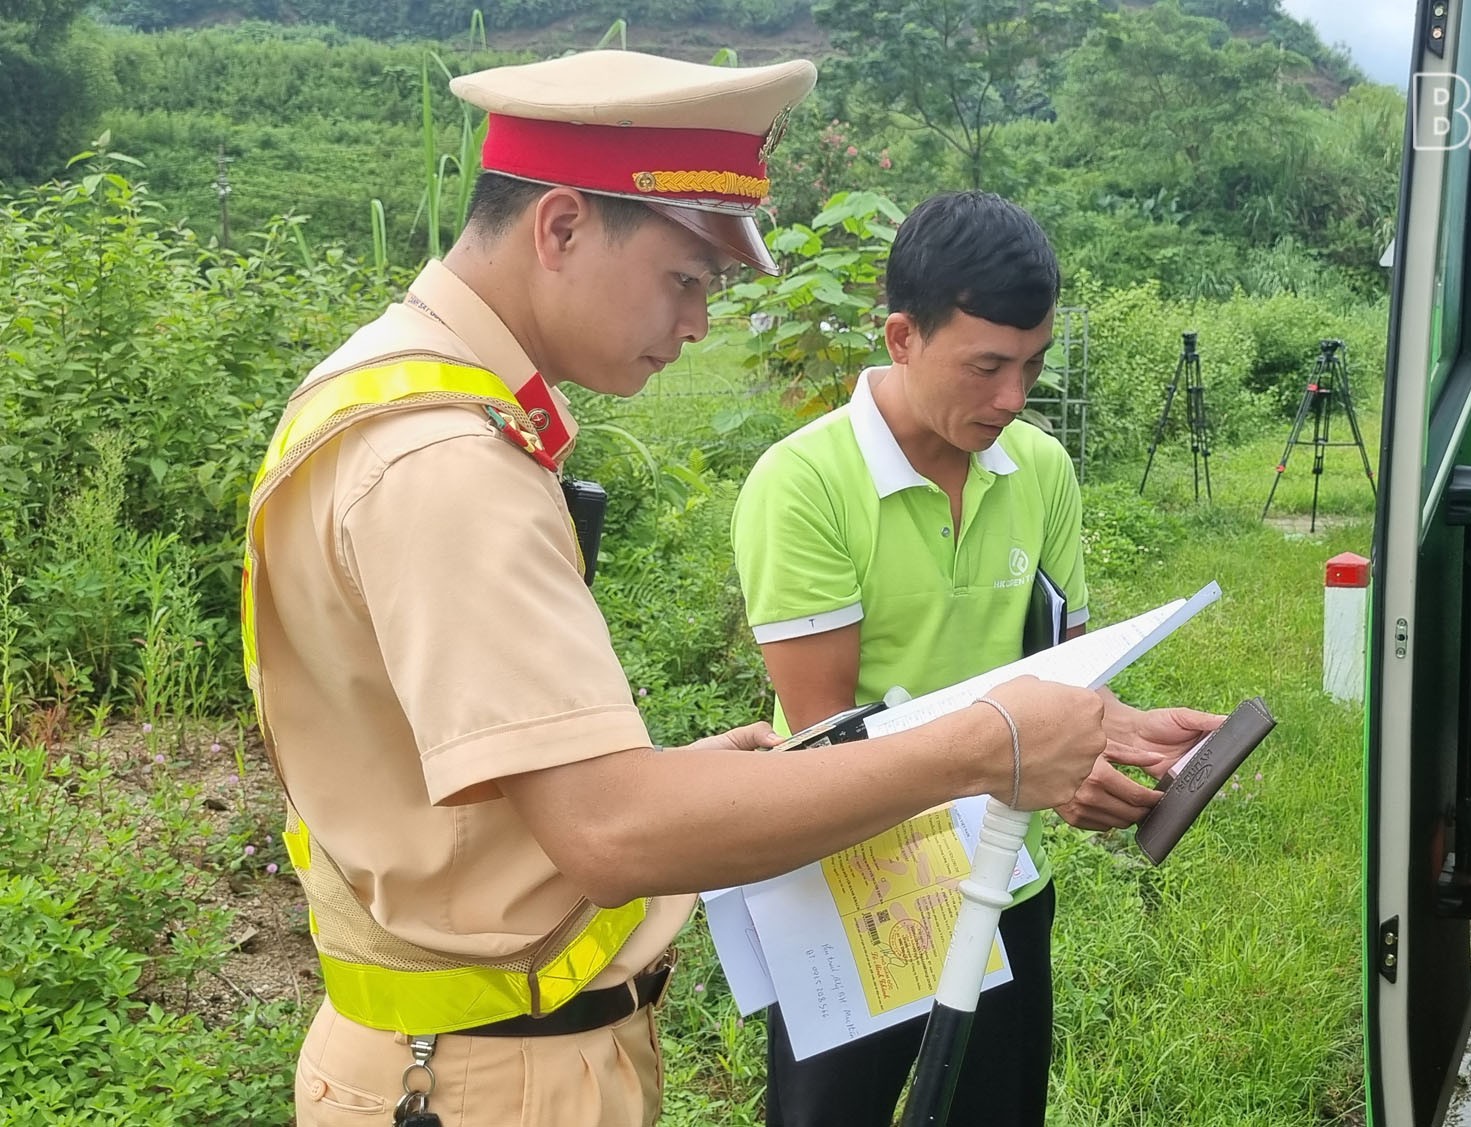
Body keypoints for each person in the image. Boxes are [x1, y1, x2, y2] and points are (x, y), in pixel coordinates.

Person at [241, 53, 1108, 1127]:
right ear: (558, 228)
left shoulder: (396, 395)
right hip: (485, 1076)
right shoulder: (446, 462)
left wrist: (661, 772)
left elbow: (475, 777)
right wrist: (986, 742)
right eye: (685, 279)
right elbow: (609, 835)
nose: (697, 323)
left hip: (480, 1049)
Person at [732, 190, 1226, 1127]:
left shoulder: (1040, 470)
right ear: (903, 336)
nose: (1012, 398)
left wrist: (1107, 734)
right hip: (854, 893)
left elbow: (1061, 668)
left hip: (1004, 880)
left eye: (1033, 366)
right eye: (987, 366)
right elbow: (834, 748)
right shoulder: (803, 485)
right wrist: (1027, 758)